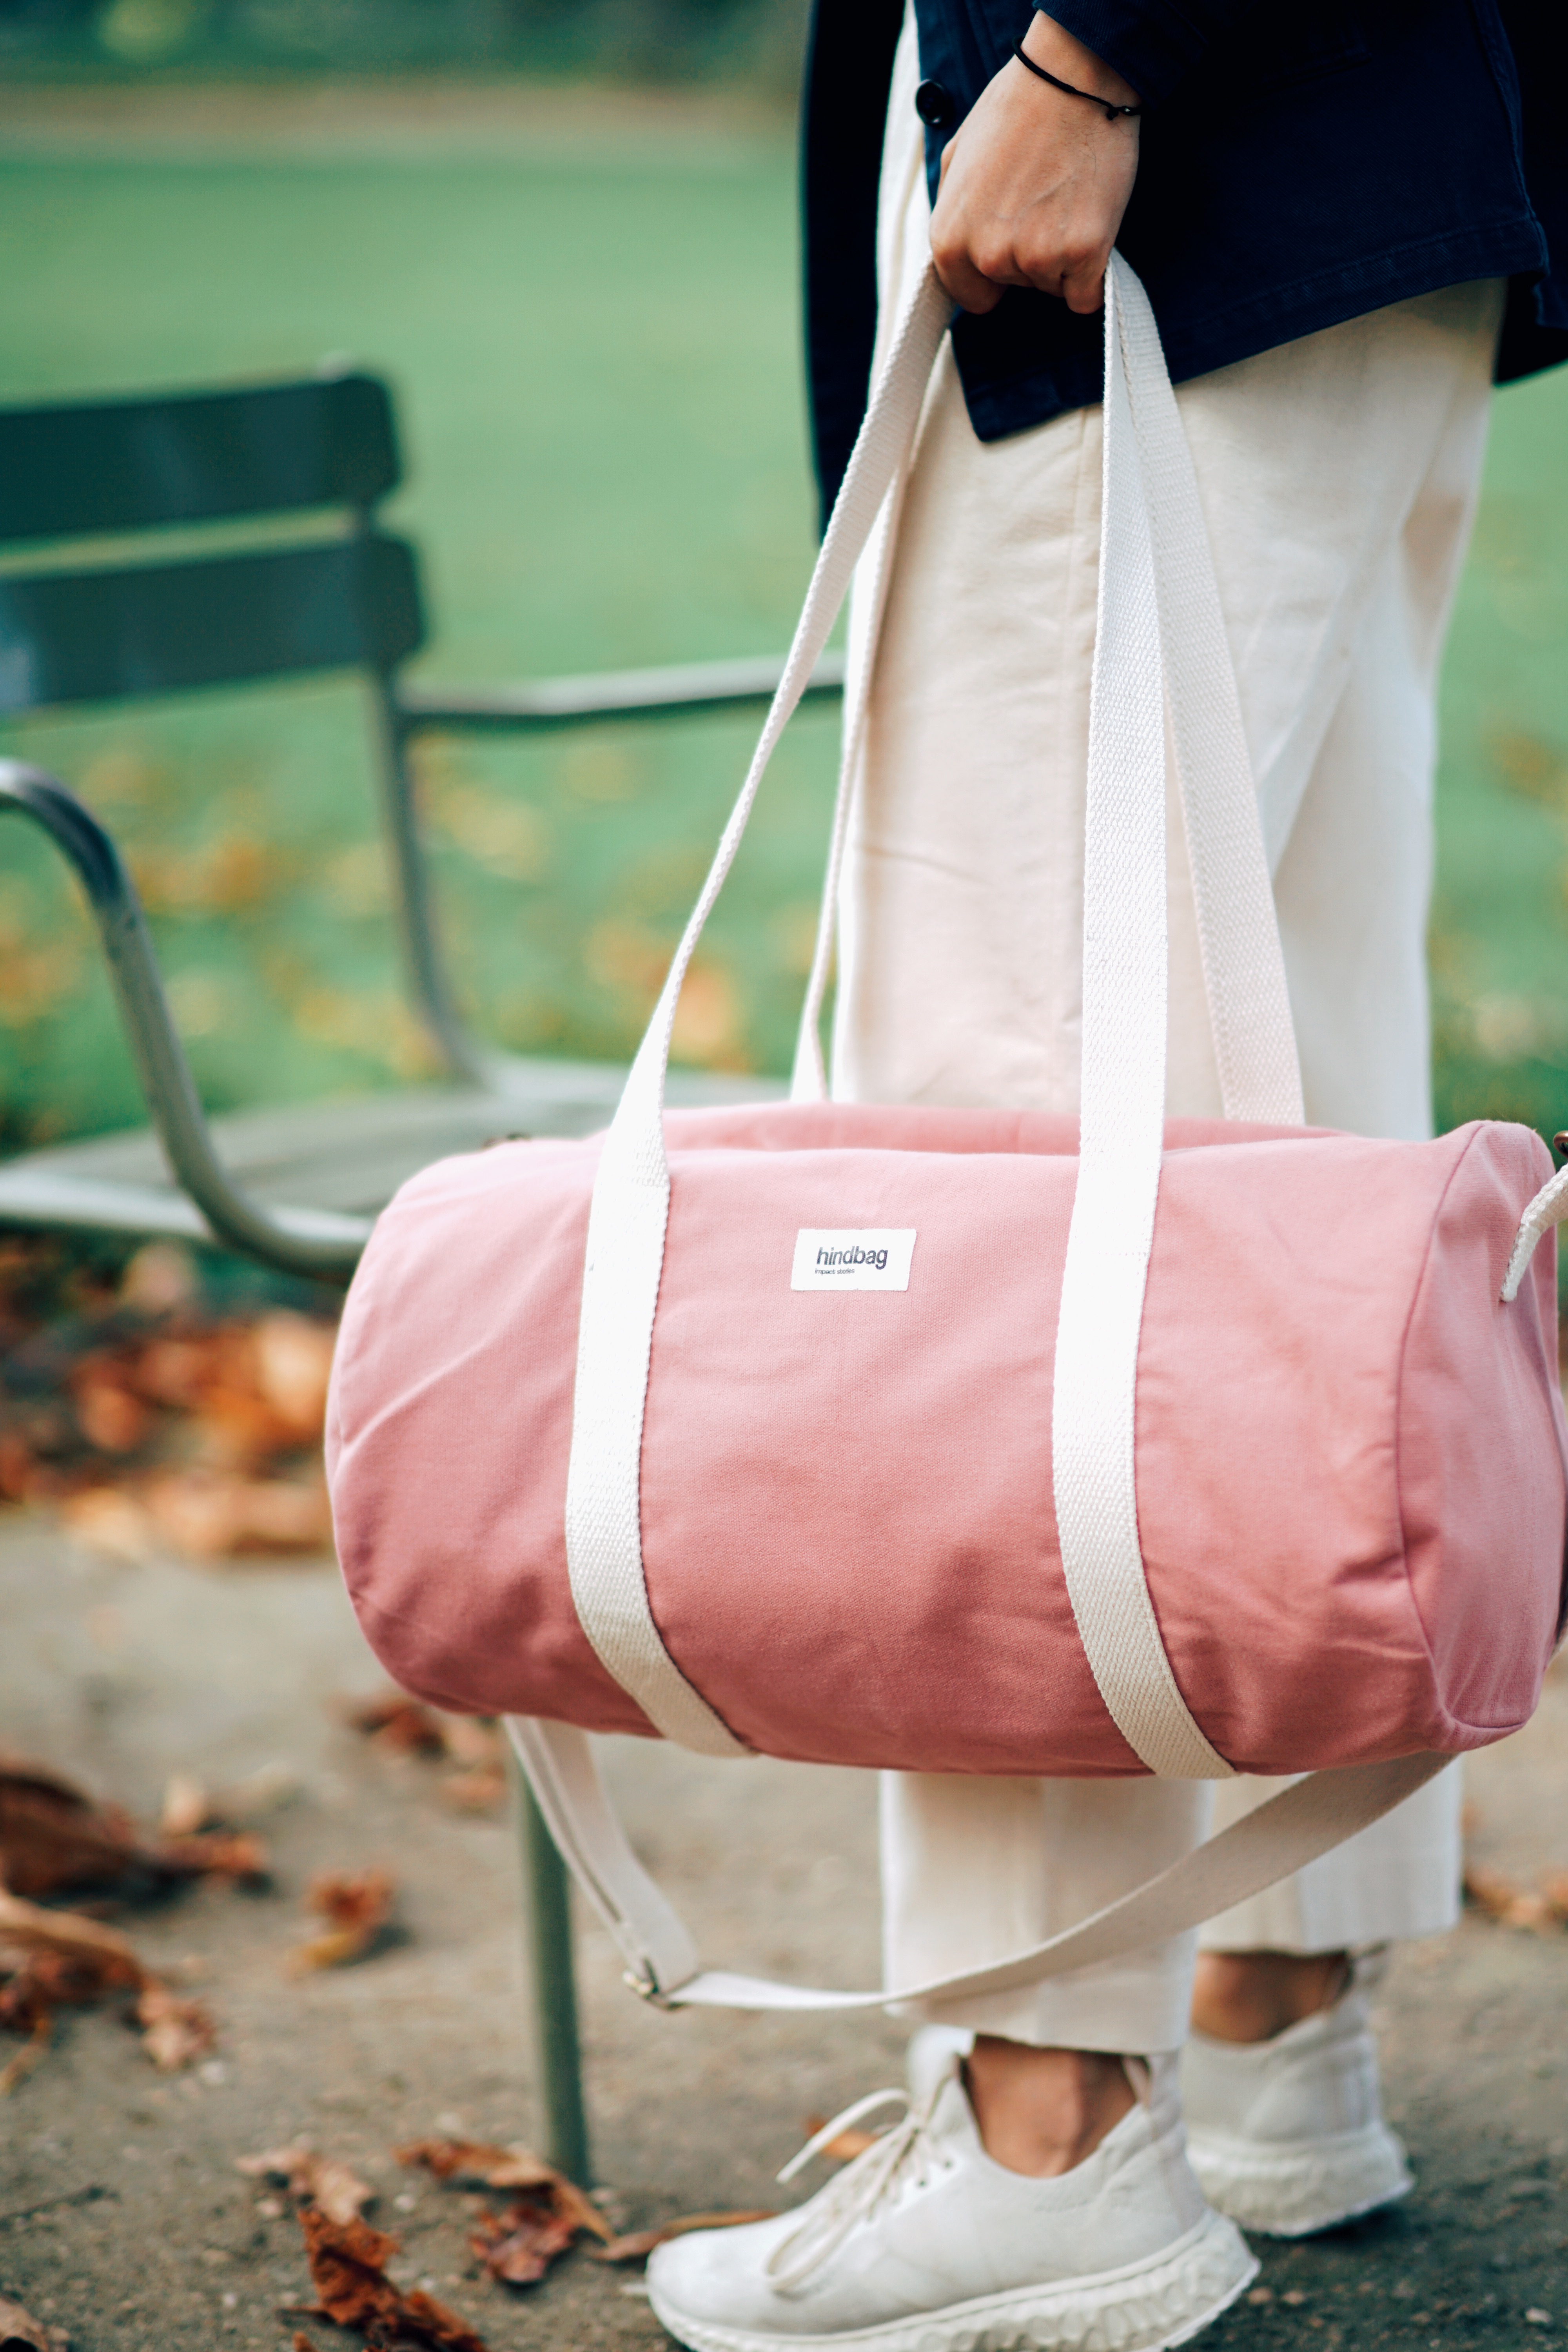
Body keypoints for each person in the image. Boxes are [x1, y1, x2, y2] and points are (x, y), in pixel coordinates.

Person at [648, 7, 1567, 2350]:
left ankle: (1045, 2117)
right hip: (1364, 166)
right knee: (1286, 1121)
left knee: (1009, 1168)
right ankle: (1275, 2001)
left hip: (1152, 159)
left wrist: (1091, 47)